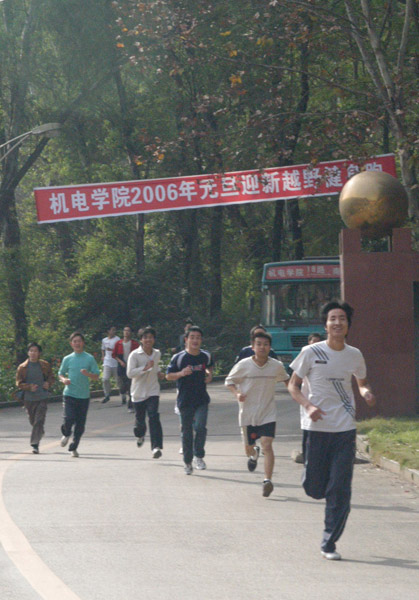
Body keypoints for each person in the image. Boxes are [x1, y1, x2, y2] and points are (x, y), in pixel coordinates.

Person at [288, 301, 376, 561]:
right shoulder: (311, 352)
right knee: (315, 488)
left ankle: (329, 542)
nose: (337, 323)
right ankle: (316, 482)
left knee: (340, 489)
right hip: (316, 428)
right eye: (332, 318)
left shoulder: (354, 355)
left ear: (348, 325)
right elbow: (293, 386)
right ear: (325, 324)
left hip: (344, 428)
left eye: (342, 319)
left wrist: (365, 392)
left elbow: (361, 382)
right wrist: (308, 405)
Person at [225, 331, 289, 497]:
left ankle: (267, 480)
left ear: (270, 347)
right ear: (252, 347)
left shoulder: (276, 365)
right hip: (248, 414)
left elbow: (287, 380)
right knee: (249, 448)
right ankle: (253, 455)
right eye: (259, 344)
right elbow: (229, 381)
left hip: (268, 412)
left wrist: (299, 392)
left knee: (268, 444)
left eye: (266, 344)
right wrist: (237, 394)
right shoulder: (244, 365)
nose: (262, 347)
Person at [166, 326, 213, 475]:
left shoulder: (206, 356)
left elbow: (209, 368)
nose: (195, 340)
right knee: (186, 431)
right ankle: (187, 461)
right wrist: (181, 373)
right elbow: (168, 376)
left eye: (198, 337)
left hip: (201, 399)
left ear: (201, 340)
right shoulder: (179, 358)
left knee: (200, 427)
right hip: (185, 400)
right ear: (186, 340)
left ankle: (198, 456)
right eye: (192, 337)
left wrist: (209, 375)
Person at [58, 332, 100, 457]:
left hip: (83, 396)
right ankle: (66, 433)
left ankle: (74, 447)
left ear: (83, 343)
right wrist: (63, 380)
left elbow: (96, 376)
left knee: (80, 425)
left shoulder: (89, 358)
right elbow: (60, 373)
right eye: (75, 341)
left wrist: (88, 374)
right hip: (69, 394)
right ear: (71, 344)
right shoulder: (67, 358)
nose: (77, 343)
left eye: (79, 341)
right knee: (69, 418)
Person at [126, 326, 165, 458]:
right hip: (138, 392)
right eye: (145, 337)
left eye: (151, 337)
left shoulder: (157, 353)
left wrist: (158, 372)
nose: (148, 340)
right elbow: (130, 373)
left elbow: (156, 365)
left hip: (153, 390)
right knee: (140, 423)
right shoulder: (134, 355)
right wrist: (145, 368)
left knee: (154, 417)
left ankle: (156, 447)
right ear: (141, 340)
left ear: (154, 339)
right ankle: (140, 435)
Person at [16, 343, 54, 454]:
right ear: (28, 353)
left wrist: (48, 383)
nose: (33, 353)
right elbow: (19, 383)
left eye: (35, 351)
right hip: (28, 399)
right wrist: (29, 387)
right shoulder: (22, 367)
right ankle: (39, 432)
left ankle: (35, 444)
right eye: (31, 351)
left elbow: (51, 377)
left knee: (39, 420)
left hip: (42, 397)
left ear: (39, 353)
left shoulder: (44, 365)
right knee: (33, 421)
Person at [293, 332, 323, 464]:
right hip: (305, 396)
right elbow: (294, 381)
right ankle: (306, 454)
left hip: (318, 397)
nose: (315, 344)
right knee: (306, 425)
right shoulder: (306, 354)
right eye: (313, 341)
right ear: (309, 342)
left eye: (318, 341)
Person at [112, 326, 139, 411]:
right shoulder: (118, 343)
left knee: (130, 385)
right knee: (122, 385)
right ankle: (123, 393)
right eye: (125, 330)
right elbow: (114, 355)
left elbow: (139, 354)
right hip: (121, 367)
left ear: (131, 333)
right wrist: (120, 361)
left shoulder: (134, 344)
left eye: (128, 331)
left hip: (131, 367)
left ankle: (130, 404)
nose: (126, 332)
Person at [101, 326, 120, 403]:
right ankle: (107, 394)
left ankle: (123, 395)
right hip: (107, 362)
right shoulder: (104, 340)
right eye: (112, 330)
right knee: (105, 379)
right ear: (108, 331)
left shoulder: (117, 339)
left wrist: (111, 350)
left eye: (114, 330)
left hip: (115, 362)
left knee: (118, 380)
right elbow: (103, 349)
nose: (114, 332)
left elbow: (119, 350)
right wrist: (103, 356)